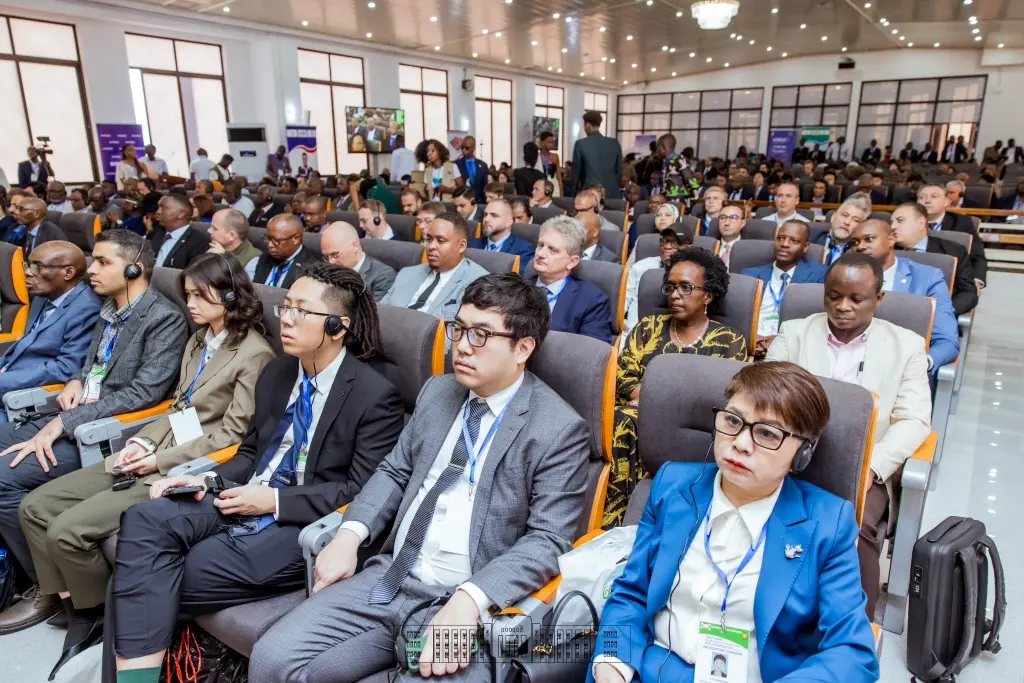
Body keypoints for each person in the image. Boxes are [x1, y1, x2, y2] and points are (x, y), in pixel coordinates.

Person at [249, 272, 591, 683]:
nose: (462, 345)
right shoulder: (438, 392)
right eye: (459, 328)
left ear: (523, 348)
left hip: (466, 601)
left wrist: (471, 600)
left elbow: (548, 538)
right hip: (390, 577)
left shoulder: (558, 429)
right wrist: (349, 535)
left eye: (481, 335)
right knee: (272, 659)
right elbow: (395, 471)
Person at [106, 263, 405, 683]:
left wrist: (275, 500)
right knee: (142, 520)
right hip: (244, 495)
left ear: (338, 326)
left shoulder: (376, 396)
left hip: (301, 523)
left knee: (141, 578)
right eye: (286, 307)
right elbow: (250, 451)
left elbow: (362, 490)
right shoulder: (279, 372)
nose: (286, 319)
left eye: (302, 311)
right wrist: (206, 479)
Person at [19, 253, 273, 677]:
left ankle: (92, 618)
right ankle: (76, 605)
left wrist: (158, 459)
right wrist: (142, 441)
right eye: (187, 295)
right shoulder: (199, 339)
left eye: (200, 295)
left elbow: (232, 436)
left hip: (184, 465)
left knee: (66, 531)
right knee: (34, 508)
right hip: (154, 450)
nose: (190, 304)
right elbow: (177, 406)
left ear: (230, 295)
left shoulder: (254, 354)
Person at [592, 361, 879, 683]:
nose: (740, 443)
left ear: (802, 453)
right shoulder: (672, 485)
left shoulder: (828, 523)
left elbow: (853, 652)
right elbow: (630, 592)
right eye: (732, 420)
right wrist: (610, 662)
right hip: (649, 668)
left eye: (767, 433)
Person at [0, 230, 188, 634]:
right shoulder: (109, 308)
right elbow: (92, 367)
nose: (91, 270)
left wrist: (64, 423)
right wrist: (75, 379)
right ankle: (14, 570)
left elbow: (143, 393)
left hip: (103, 434)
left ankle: (46, 588)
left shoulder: (163, 319)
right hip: (78, 414)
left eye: (103, 262)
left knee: (3, 479)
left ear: (135, 268)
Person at [767, 253, 931, 619]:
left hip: (866, 465)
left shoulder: (907, 345)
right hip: (793, 455)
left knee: (858, 526)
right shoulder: (795, 333)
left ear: (879, 299)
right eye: (834, 296)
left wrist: (872, 467)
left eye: (856, 299)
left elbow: (914, 420)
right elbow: (768, 398)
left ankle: (854, 627)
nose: (842, 307)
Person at [606, 248, 747, 526]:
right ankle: (617, 522)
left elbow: (729, 397)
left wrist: (655, 402)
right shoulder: (647, 328)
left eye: (686, 287)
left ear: (708, 295)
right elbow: (623, 376)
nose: (674, 295)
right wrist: (652, 401)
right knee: (624, 419)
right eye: (670, 287)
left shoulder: (730, 340)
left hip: (696, 431)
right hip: (636, 421)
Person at [0, 242, 101, 415]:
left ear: (68, 273)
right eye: (28, 265)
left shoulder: (87, 309)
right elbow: (29, 342)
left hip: (23, 399)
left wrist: (3, 380)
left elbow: (65, 368)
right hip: (10, 375)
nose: (27, 272)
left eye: (37, 267)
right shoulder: (43, 295)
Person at [849, 220, 959, 373]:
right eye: (855, 242)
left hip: (902, 368)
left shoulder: (928, 278)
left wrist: (921, 364)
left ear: (891, 239)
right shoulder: (846, 276)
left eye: (869, 239)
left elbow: (947, 341)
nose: (860, 246)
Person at [743, 220, 828, 357]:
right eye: (780, 238)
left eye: (794, 241)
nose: (784, 244)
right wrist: (750, 339)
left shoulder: (819, 276)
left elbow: (816, 322)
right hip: (750, 345)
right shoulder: (749, 275)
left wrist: (779, 340)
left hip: (792, 349)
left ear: (805, 247)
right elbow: (739, 317)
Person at [381, 212, 488, 320]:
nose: (431, 246)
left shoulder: (478, 284)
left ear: (461, 246)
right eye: (429, 239)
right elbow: (379, 313)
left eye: (440, 241)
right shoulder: (407, 273)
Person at [525, 216, 614, 343]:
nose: (540, 254)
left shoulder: (592, 300)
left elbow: (592, 351)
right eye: (540, 245)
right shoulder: (516, 288)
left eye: (553, 250)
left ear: (572, 262)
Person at [890, 202, 978, 316]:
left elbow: (968, 293)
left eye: (900, 221)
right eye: (891, 222)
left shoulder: (953, 251)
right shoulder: (886, 250)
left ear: (921, 223)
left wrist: (940, 313)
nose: (893, 226)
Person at [917, 184, 987, 290]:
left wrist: (976, 280)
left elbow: (977, 256)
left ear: (946, 201)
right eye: (922, 197)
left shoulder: (962, 222)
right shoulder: (908, 222)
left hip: (951, 279)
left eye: (934, 196)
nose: (927, 201)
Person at [623, 228, 689, 333]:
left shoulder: (693, 275)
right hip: (632, 329)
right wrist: (620, 321)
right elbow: (624, 298)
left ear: (688, 246)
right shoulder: (640, 267)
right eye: (664, 241)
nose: (667, 246)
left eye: (674, 242)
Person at [321, 221, 396, 300]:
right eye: (326, 256)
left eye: (335, 255)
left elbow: (373, 308)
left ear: (355, 245)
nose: (331, 262)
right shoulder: (327, 272)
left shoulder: (383, 276)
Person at [245, 214, 317, 288]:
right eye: (268, 238)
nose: (270, 245)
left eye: (276, 240)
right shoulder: (262, 259)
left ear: (296, 239)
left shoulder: (311, 269)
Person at [568, 111, 623, 198]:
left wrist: (573, 195)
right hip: (612, 193)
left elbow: (576, 174)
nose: (584, 128)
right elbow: (619, 172)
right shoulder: (614, 143)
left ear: (588, 125)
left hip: (590, 194)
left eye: (584, 125)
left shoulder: (581, 144)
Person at [149, 194, 211, 269]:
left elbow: (192, 273)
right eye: (158, 207)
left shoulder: (198, 242)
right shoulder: (157, 232)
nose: (158, 212)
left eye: (164, 208)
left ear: (181, 214)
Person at [469, 199, 535, 265]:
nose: (486, 219)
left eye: (494, 215)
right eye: (485, 215)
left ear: (508, 222)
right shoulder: (471, 245)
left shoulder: (523, 250)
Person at [813, 193, 872, 265]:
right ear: (833, 217)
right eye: (845, 215)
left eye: (855, 220)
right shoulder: (811, 238)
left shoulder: (860, 253)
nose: (847, 222)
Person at [455, 136, 490, 204]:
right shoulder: (456, 164)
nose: (464, 150)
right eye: (462, 147)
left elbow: (485, 187)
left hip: (479, 202)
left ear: (474, 148)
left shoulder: (483, 165)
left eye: (467, 148)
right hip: (462, 202)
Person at [717, 200, 746, 268]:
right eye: (722, 218)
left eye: (734, 218)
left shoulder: (750, 250)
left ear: (743, 223)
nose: (726, 223)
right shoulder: (709, 246)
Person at [537, 130, 563, 197]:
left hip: (554, 185)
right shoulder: (537, 157)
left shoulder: (555, 156)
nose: (551, 144)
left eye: (552, 142)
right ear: (542, 142)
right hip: (541, 185)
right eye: (549, 142)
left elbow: (558, 175)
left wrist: (561, 191)